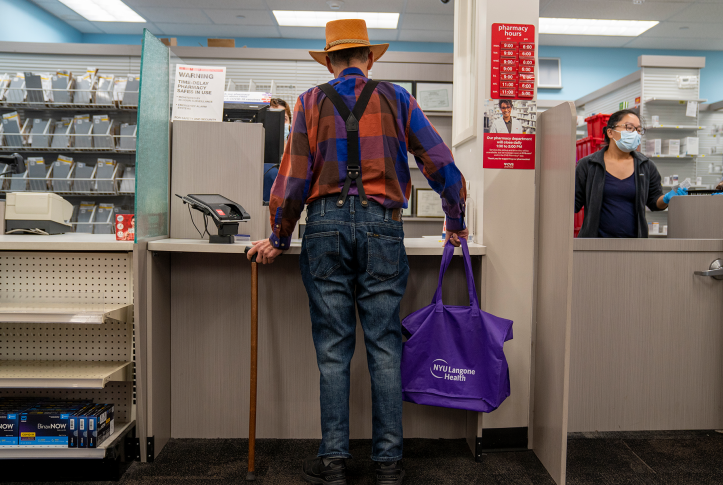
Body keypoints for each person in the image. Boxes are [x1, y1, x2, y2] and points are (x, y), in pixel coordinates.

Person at [247, 18, 467, 485]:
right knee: (385, 347)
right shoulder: (398, 98)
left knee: (332, 349)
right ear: (369, 58)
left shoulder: (309, 101)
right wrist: (455, 220)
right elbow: (441, 163)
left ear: (329, 61)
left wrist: (279, 236)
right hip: (382, 227)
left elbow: (291, 181)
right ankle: (389, 465)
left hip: (323, 228)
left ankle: (333, 463)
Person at [575, 109, 687, 238]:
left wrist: (668, 198)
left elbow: (654, 201)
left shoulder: (645, 165)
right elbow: (574, 204)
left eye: (638, 130)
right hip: (595, 244)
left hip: (635, 246)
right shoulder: (589, 165)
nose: (635, 134)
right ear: (610, 132)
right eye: (629, 128)